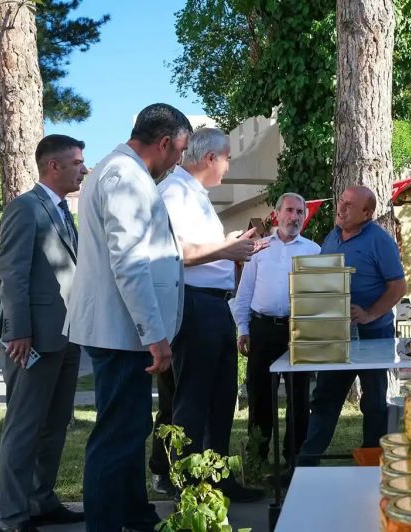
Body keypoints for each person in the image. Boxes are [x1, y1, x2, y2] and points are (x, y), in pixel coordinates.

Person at [65, 103, 190, 532]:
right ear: (165, 143)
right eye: (180, 152)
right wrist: (155, 336)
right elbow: (129, 263)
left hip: (121, 331)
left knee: (128, 428)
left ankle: (135, 514)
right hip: (120, 333)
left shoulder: (120, 170)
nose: (178, 163)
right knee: (117, 434)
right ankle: (104, 524)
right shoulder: (124, 175)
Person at [157, 127, 267, 502]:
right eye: (227, 158)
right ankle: (189, 486)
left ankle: (217, 478)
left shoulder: (197, 195)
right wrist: (227, 249)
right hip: (193, 303)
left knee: (221, 397)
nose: (229, 165)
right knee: (193, 399)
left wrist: (233, 246)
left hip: (216, 303)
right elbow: (178, 253)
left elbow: (206, 249)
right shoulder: (174, 193)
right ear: (210, 159)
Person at [0, 134, 87, 532]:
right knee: (23, 428)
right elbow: (12, 275)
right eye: (77, 162)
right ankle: (13, 515)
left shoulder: (65, 212)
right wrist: (19, 332)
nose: (83, 169)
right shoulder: (25, 209)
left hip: (66, 338)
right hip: (30, 341)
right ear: (54, 166)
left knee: (55, 425)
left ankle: (40, 500)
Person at [296, 186, 407, 468]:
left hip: (374, 334)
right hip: (336, 333)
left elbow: (398, 286)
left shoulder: (380, 241)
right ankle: (306, 465)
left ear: (367, 213)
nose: (341, 209)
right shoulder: (332, 237)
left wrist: (370, 314)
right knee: (325, 398)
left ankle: (371, 463)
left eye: (349, 205)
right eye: (341, 202)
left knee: (373, 403)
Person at [231, 192, 321, 465]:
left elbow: (319, 296)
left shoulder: (313, 251)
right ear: (277, 214)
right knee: (260, 396)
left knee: (298, 397)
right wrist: (243, 328)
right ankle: (257, 459)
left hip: (298, 330)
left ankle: (295, 459)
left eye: (300, 213)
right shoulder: (260, 249)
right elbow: (244, 292)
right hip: (263, 328)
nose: (294, 217)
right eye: (290, 211)